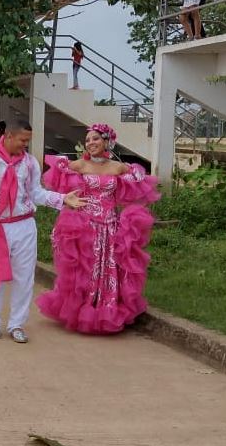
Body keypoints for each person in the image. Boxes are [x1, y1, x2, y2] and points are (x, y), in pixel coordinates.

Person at [0, 119, 84, 343]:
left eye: (28, 141)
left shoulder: (29, 163)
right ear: (9, 136)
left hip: (24, 224)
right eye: (23, 140)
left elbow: (36, 193)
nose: (25, 145)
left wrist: (62, 199)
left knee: (24, 277)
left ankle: (17, 324)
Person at [36, 124, 159, 334]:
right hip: (86, 225)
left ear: (107, 141)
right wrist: (70, 202)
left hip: (110, 226)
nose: (90, 143)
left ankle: (106, 309)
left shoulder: (118, 168)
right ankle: (82, 309)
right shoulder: (79, 165)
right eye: (88, 140)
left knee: (108, 269)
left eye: (95, 139)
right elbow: (60, 179)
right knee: (86, 269)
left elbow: (140, 185)